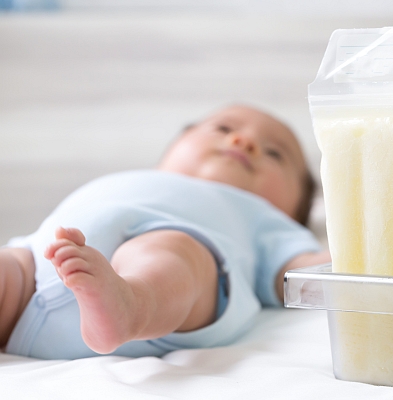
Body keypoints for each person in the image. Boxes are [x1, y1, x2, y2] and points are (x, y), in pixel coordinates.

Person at [0, 105, 331, 359]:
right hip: (35, 266)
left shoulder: (266, 219)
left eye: (275, 153)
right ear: (176, 146)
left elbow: (307, 271)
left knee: (174, 250)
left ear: (295, 209)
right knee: (8, 264)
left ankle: (131, 304)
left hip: (160, 309)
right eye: (223, 128)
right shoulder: (142, 179)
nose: (244, 142)